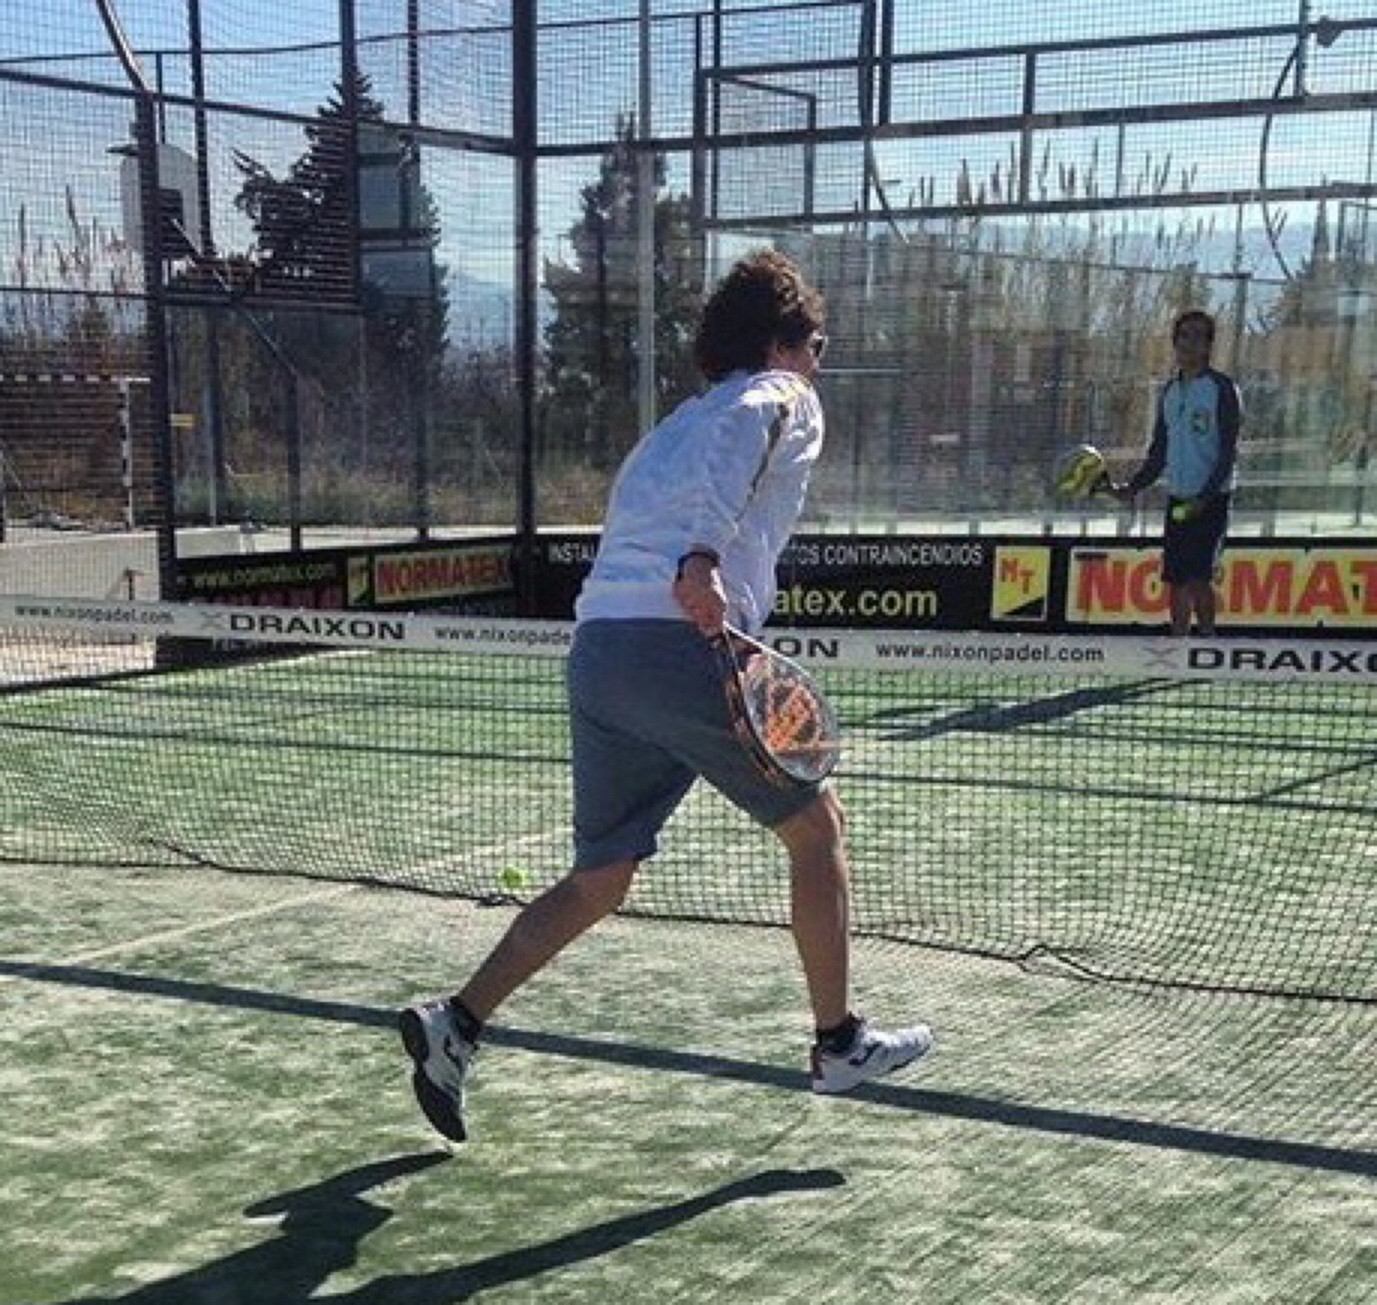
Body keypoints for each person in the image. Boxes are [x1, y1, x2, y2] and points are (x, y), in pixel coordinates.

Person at [399, 250, 933, 1142]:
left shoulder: (671, 429)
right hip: (676, 641)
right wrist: (702, 559)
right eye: (815, 346)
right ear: (781, 344)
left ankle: (455, 1023)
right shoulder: (780, 394)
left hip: (598, 653)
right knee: (817, 828)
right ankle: (839, 1042)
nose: (817, 365)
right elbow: (755, 425)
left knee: (600, 879)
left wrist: (695, 561)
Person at [1113, 309, 1241, 636]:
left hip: (1211, 501)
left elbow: (1228, 452)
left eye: (1198, 336)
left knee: (1200, 578)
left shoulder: (1222, 388)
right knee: (1176, 579)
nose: (1189, 342)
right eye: (1183, 335)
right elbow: (1159, 451)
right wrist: (1133, 487)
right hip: (1179, 500)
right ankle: (1178, 642)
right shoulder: (1170, 391)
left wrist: (1204, 498)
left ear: (1208, 345)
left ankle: (1207, 640)